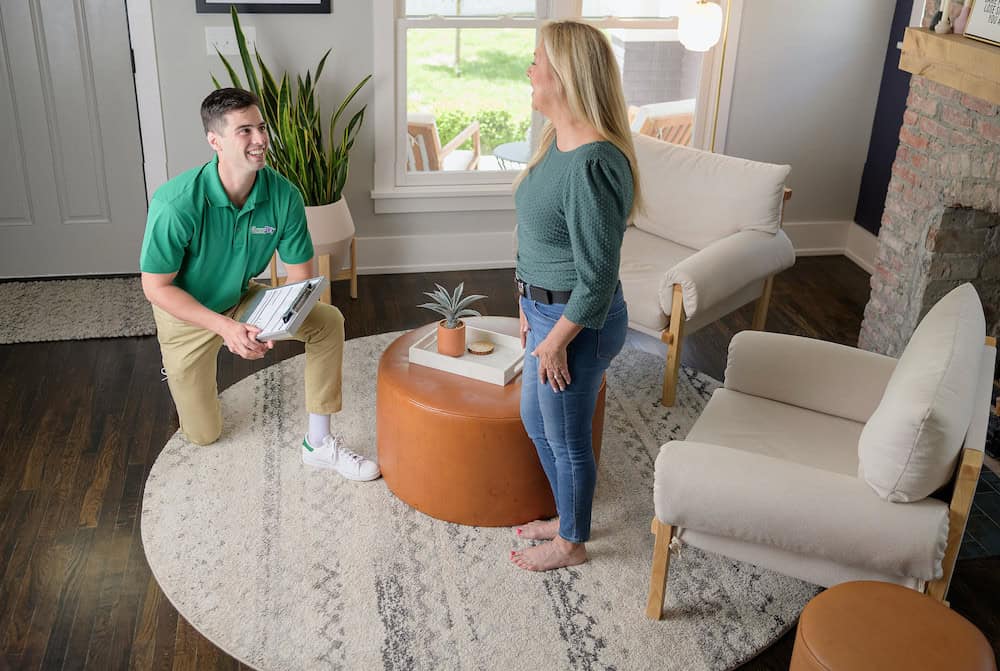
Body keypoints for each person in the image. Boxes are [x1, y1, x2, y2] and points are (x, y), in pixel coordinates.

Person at [139, 88, 379, 482]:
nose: (260, 139)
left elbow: (301, 280)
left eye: (262, 127)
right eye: (245, 131)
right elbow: (156, 288)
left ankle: (318, 443)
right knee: (203, 435)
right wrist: (225, 329)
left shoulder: (283, 195)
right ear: (215, 141)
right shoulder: (176, 204)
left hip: (240, 297)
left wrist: (277, 324)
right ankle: (179, 368)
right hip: (186, 316)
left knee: (327, 321)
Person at [510, 21, 641, 571]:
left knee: (567, 439)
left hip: (576, 323)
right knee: (537, 422)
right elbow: (534, 237)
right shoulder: (554, 142)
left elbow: (599, 276)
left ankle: (572, 544)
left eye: (537, 61)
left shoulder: (592, 164)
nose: (529, 71)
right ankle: (568, 517)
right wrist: (524, 304)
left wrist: (558, 340)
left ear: (564, 75)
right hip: (543, 313)